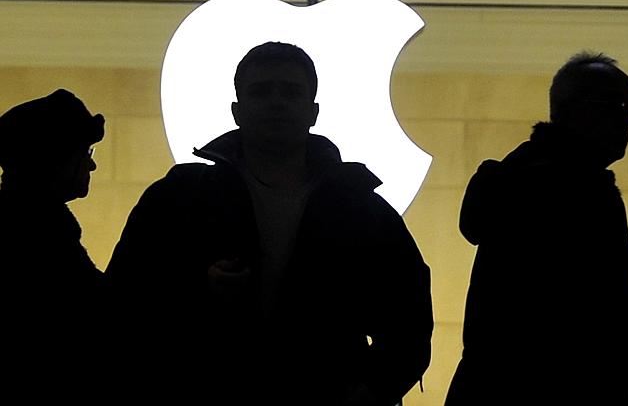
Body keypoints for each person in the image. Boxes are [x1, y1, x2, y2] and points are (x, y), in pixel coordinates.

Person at [105, 41, 434, 405]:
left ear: (312, 111)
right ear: (237, 110)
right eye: (262, 91)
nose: (276, 102)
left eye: (290, 92)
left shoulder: (181, 197)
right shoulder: (177, 198)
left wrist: (373, 388)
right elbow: (124, 300)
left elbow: (409, 317)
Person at [445, 51, 628, 405]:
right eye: (616, 105)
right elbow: (582, 321)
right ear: (576, 110)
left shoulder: (527, 182)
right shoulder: (568, 193)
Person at [0, 88, 105, 393]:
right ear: (54, 160)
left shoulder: (31, 226)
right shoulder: (38, 236)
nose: (92, 165)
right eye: (85, 153)